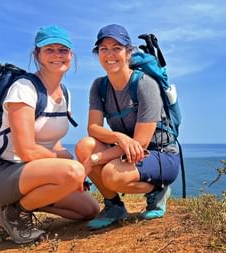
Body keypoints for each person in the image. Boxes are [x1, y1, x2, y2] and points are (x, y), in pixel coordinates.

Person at [0, 25, 100, 244]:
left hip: (30, 174)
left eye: (62, 50)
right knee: (72, 170)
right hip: (1, 173)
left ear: (71, 55)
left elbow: (53, 142)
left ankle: (20, 204)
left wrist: (63, 165)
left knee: (89, 210)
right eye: (49, 49)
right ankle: (15, 214)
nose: (57, 55)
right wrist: (70, 166)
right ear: (36, 54)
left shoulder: (64, 93)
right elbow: (26, 150)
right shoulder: (24, 88)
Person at [75, 24, 180, 230]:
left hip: (161, 154)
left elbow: (140, 143)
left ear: (128, 52)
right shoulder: (99, 86)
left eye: (117, 48)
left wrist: (96, 159)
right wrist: (119, 137)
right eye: (104, 49)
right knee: (84, 145)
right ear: (98, 53)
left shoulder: (144, 84)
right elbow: (93, 129)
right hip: (126, 150)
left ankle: (158, 189)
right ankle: (114, 207)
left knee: (111, 175)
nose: (110, 54)